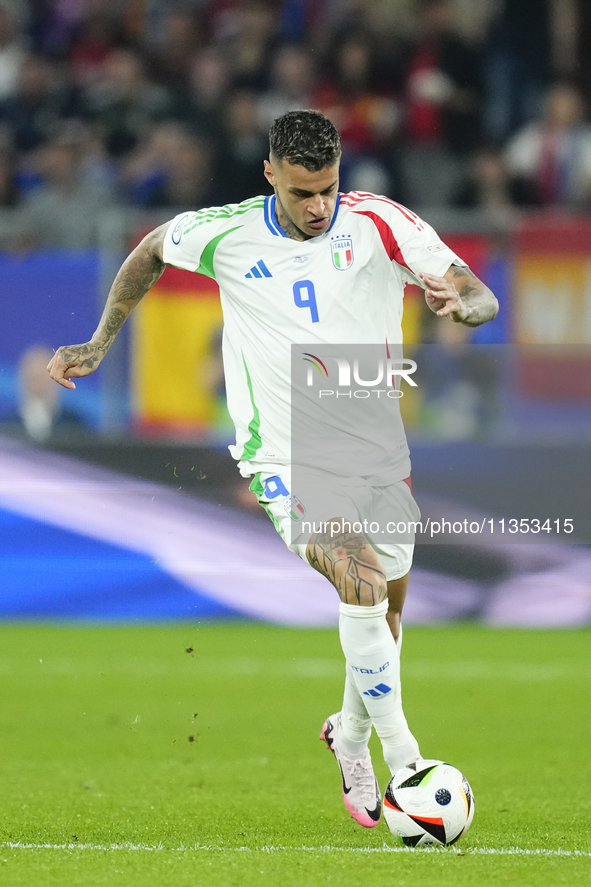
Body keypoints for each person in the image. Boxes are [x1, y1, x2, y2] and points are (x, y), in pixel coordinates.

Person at [47, 110, 498, 829]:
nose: (318, 206)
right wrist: (101, 340)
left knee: (384, 607)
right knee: (360, 577)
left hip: (373, 446)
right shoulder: (226, 231)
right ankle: (404, 760)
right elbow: (150, 250)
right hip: (283, 451)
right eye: (300, 193)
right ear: (269, 175)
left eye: (327, 189)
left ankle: (346, 733)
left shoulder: (380, 222)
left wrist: (464, 307)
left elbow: (474, 287)